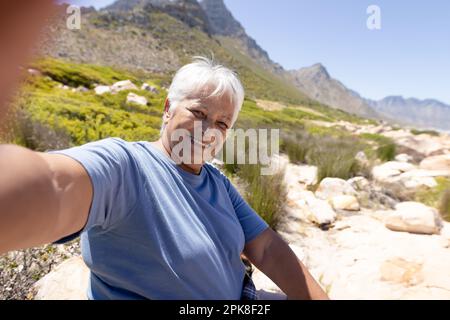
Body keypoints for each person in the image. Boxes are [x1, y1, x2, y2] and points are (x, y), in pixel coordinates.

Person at [0, 54, 328, 300]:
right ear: (168, 107)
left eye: (222, 123)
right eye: (199, 113)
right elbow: (54, 183)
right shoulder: (125, 165)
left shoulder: (218, 184)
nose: (209, 130)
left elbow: (267, 247)